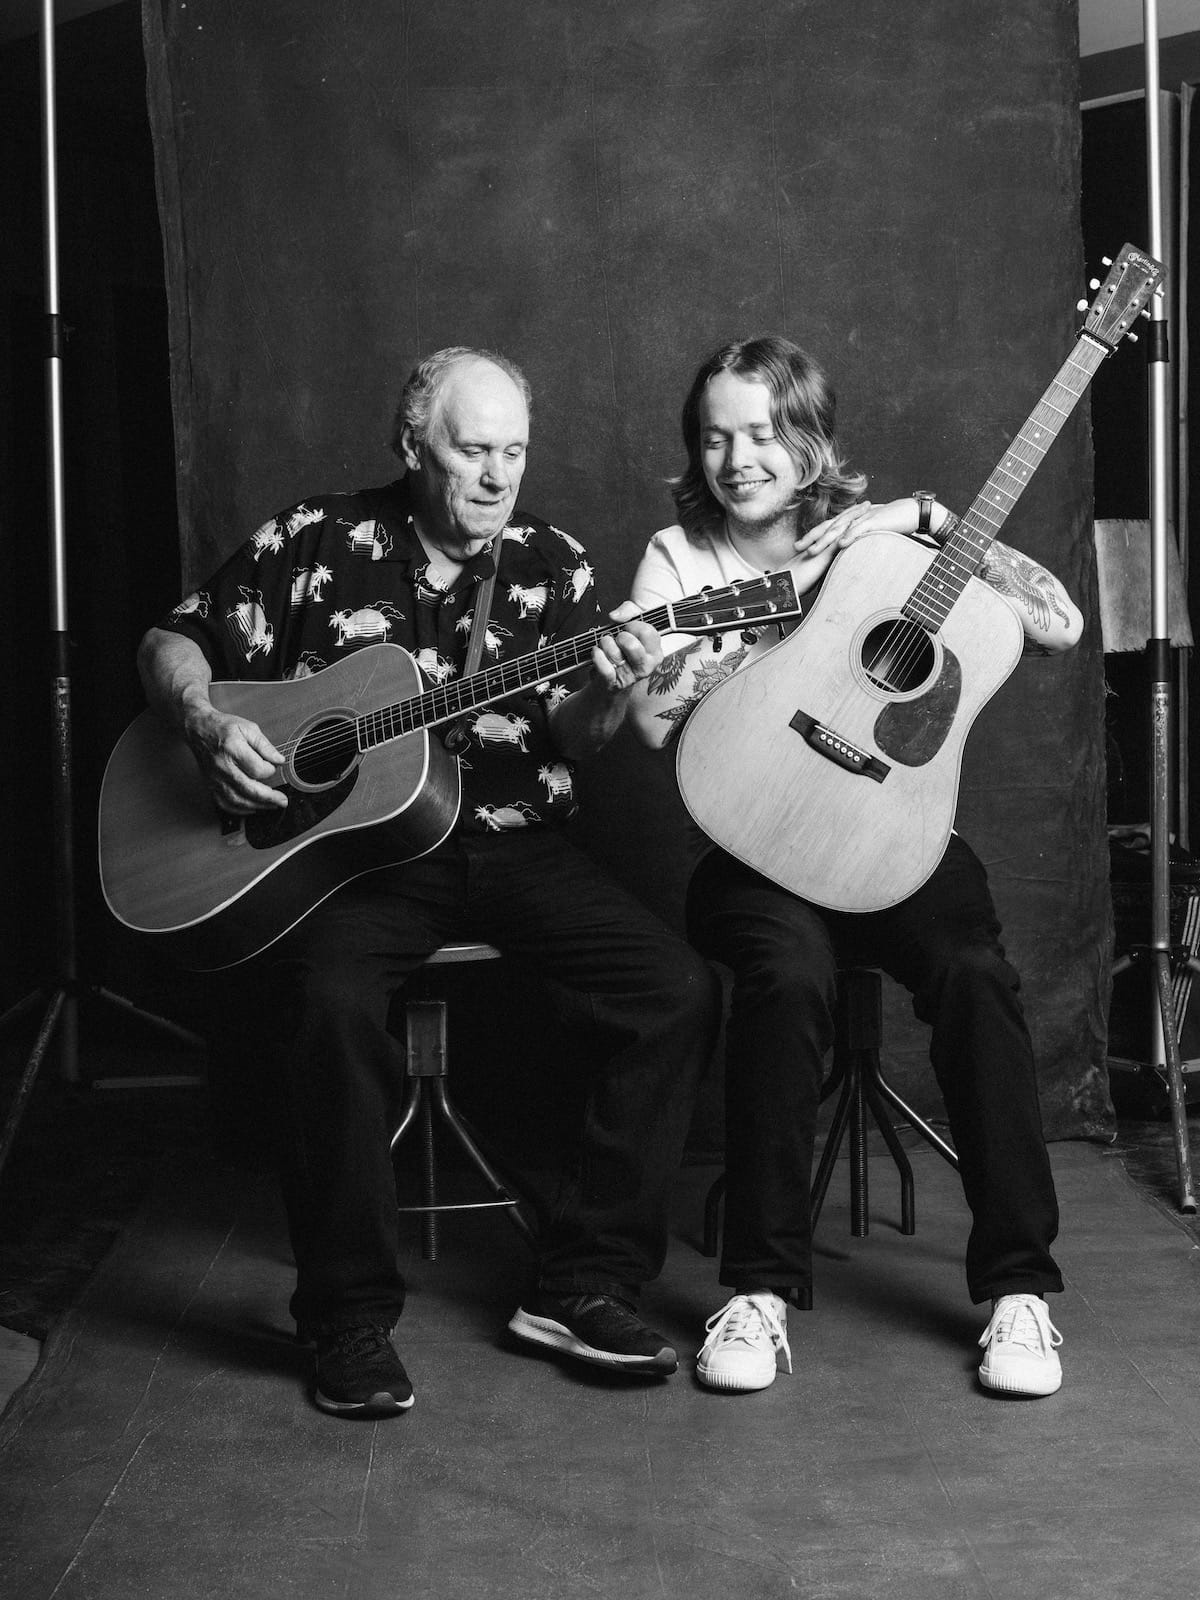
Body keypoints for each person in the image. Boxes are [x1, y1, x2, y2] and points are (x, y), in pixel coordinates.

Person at [137, 345, 720, 1418]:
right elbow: (173, 636)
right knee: (329, 1002)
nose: (499, 476)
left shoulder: (554, 564)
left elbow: (582, 739)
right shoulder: (314, 540)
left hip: (512, 839)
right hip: (355, 864)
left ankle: (581, 1281)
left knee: (672, 987)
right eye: (472, 450)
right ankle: (348, 1318)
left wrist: (604, 687)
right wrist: (204, 717)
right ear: (412, 446)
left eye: (514, 452)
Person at [628, 335, 1083, 1399]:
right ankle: (759, 1293)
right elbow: (649, 723)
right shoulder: (677, 557)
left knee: (975, 975)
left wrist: (922, 520)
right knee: (784, 980)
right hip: (757, 843)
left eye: (763, 432)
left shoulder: (882, 549)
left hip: (896, 833)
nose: (738, 456)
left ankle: (1021, 1290)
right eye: (714, 435)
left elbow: (1056, 622)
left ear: (811, 440)